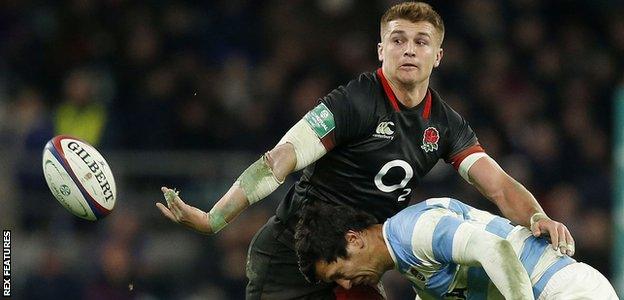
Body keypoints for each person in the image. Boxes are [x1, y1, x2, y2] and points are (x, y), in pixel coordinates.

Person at [156, 2, 574, 298]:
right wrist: (215, 219)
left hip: (356, 264)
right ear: (381, 50)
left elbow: (498, 186)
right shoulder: (354, 102)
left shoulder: (446, 125)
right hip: (292, 258)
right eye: (397, 39)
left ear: (438, 56)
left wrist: (537, 215)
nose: (409, 49)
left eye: (421, 41)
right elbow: (279, 159)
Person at [294, 199, 618, 300]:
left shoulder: (415, 230)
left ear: (354, 240)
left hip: (562, 290)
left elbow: (496, 248)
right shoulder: (410, 264)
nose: (348, 284)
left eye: (341, 273)